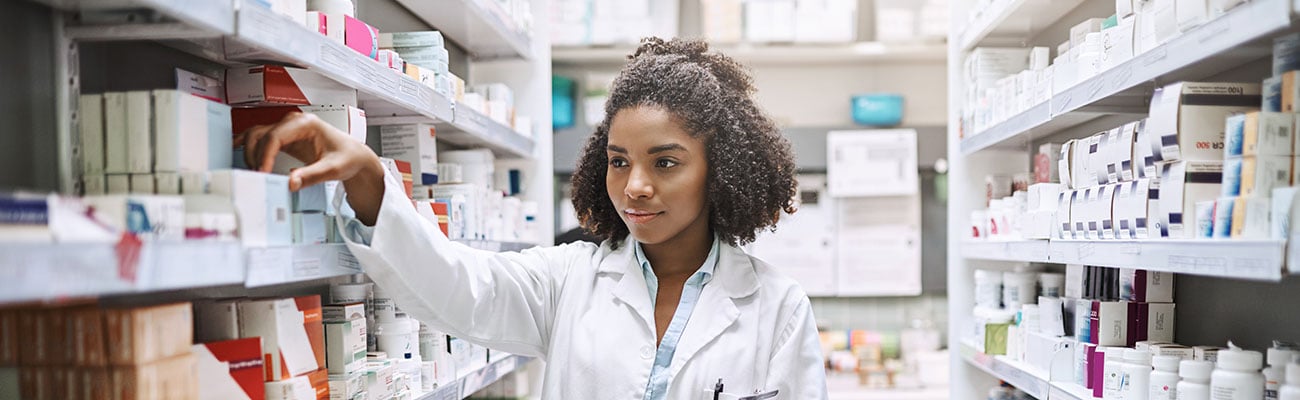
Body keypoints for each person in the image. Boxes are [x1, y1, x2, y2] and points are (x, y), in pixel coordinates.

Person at [239, 37, 828, 399]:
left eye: (665, 162)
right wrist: (368, 179)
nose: (635, 186)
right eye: (619, 162)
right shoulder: (569, 279)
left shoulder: (776, 308)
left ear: (718, 170)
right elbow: (458, 287)